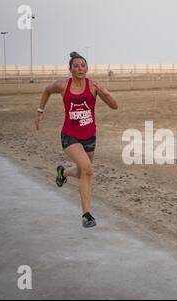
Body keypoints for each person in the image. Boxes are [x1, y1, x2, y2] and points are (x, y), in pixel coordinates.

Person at [35, 52, 119, 228]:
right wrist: (40, 112)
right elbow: (46, 91)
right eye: (76, 66)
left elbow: (114, 106)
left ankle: (63, 173)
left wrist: (106, 93)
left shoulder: (94, 85)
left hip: (89, 136)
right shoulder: (62, 85)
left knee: (82, 173)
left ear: (87, 68)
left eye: (83, 65)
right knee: (88, 169)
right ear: (70, 69)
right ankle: (86, 215)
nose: (80, 68)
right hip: (69, 135)